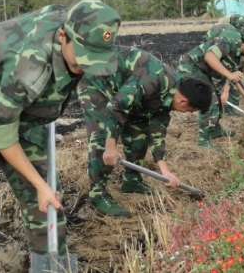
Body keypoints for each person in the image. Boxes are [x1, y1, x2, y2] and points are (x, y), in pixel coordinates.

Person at [0, 0, 121, 272]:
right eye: (82, 54)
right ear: (62, 35)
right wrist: (39, 184)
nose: (86, 64)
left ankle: (51, 265)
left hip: (18, 115)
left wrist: (42, 190)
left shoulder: (79, 23)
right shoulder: (28, 66)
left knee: (47, 205)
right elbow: (1, 133)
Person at [77, 47, 213, 217]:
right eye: (189, 111)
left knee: (139, 137)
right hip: (98, 84)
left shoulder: (173, 90)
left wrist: (165, 171)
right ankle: (97, 195)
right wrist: (111, 146)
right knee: (102, 138)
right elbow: (117, 107)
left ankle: (132, 181)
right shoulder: (153, 79)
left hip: (126, 92)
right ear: (184, 101)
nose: (185, 113)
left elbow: (157, 132)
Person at [178, 26, 244, 151]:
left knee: (217, 98)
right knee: (209, 99)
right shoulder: (230, 39)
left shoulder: (241, 58)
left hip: (205, 71)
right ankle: (203, 140)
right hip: (192, 66)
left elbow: (239, 82)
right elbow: (210, 57)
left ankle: (215, 129)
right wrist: (229, 74)